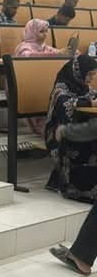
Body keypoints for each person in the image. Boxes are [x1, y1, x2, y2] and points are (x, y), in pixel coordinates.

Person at [43, 55, 97, 208]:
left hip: (79, 129)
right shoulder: (61, 87)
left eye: (93, 75)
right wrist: (90, 103)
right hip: (59, 132)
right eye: (89, 74)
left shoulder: (83, 86)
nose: (91, 79)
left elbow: (91, 96)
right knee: (88, 139)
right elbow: (65, 104)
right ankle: (76, 185)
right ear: (79, 71)